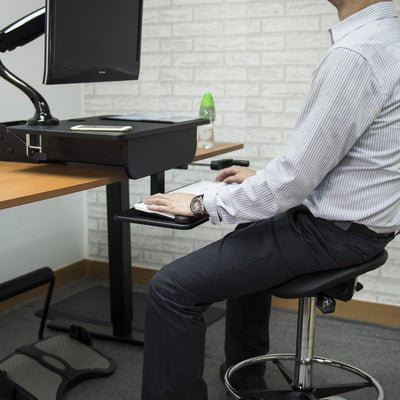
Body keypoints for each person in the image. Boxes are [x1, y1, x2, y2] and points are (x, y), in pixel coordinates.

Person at [141, 1, 400, 399]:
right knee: (250, 226)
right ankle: (246, 378)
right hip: (367, 228)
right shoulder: (390, 38)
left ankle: (238, 378)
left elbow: (293, 181)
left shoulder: (356, 53)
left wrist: (199, 204)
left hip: (330, 233)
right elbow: (355, 157)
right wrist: (263, 178)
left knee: (170, 290)